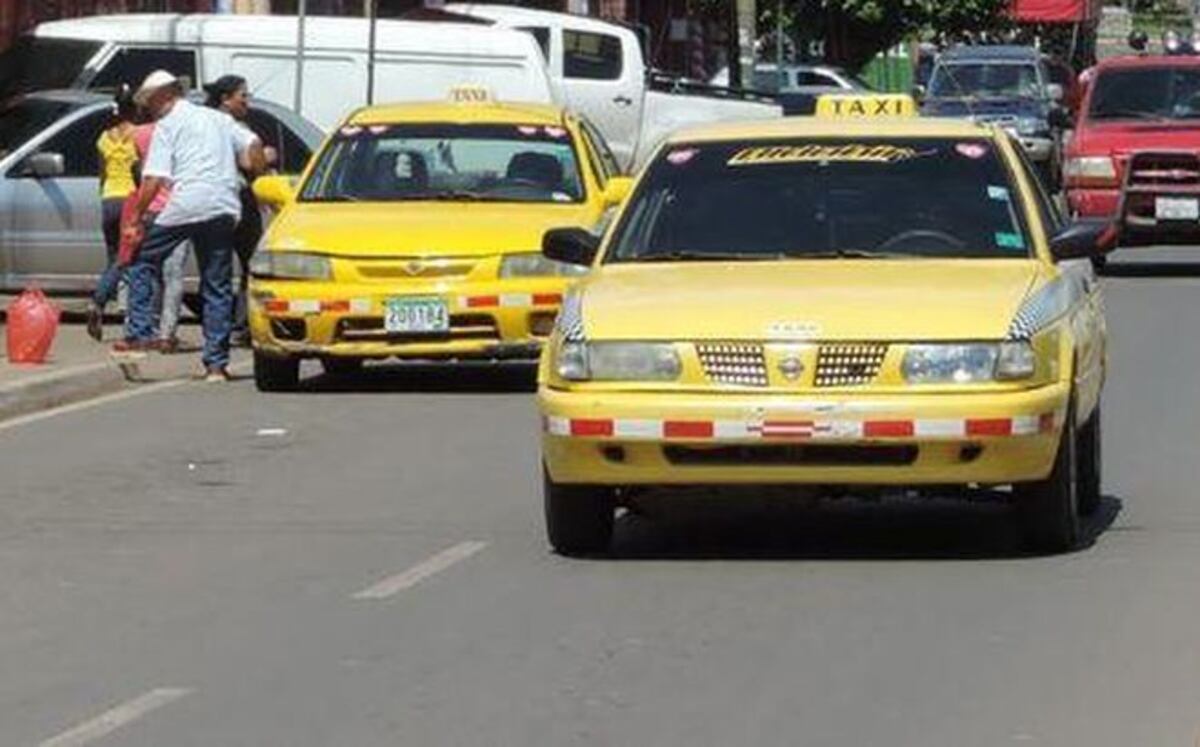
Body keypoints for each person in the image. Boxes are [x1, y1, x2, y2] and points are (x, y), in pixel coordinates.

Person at [116, 70, 265, 381]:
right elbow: (254, 145)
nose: (148, 109)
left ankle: (141, 331)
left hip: (185, 204)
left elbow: (154, 178)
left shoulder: (168, 126)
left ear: (164, 97)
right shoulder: (217, 119)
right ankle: (215, 364)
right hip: (223, 205)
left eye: (150, 102)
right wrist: (258, 178)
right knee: (217, 283)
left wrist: (136, 218)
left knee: (141, 258)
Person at [202, 74, 271, 347]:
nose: (247, 101)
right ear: (226, 99)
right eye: (243, 95)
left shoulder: (202, 122)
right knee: (251, 263)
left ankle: (216, 331)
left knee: (214, 269)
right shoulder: (232, 126)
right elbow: (250, 156)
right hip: (237, 198)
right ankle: (243, 324)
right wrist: (263, 164)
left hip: (208, 199)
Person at [87, 86, 140, 342]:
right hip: (131, 200)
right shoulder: (139, 135)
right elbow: (142, 172)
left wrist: (104, 198)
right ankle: (102, 303)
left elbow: (102, 174)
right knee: (129, 260)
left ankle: (101, 303)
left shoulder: (104, 137)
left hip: (109, 199)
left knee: (113, 258)